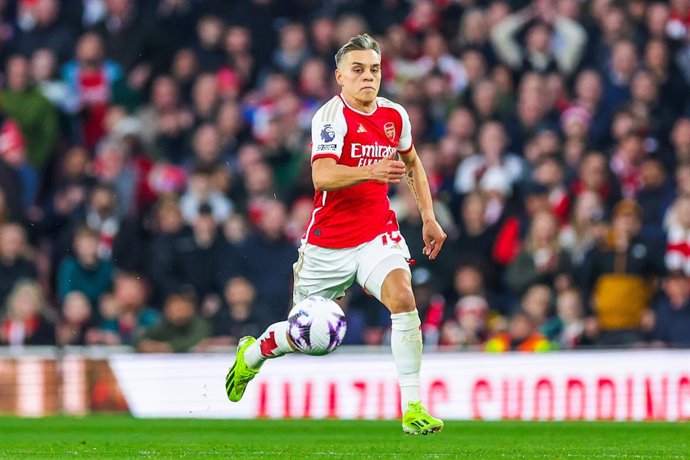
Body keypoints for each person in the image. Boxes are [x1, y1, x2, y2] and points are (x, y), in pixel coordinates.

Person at [225, 34, 447, 435]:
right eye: (358, 70)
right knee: (304, 336)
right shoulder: (331, 117)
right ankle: (253, 354)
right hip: (327, 244)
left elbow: (412, 163)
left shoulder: (395, 116)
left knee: (403, 298)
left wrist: (428, 216)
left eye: (374, 69)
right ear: (339, 76)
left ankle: (412, 407)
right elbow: (321, 174)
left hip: (377, 234)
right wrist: (372, 171)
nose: (368, 77)